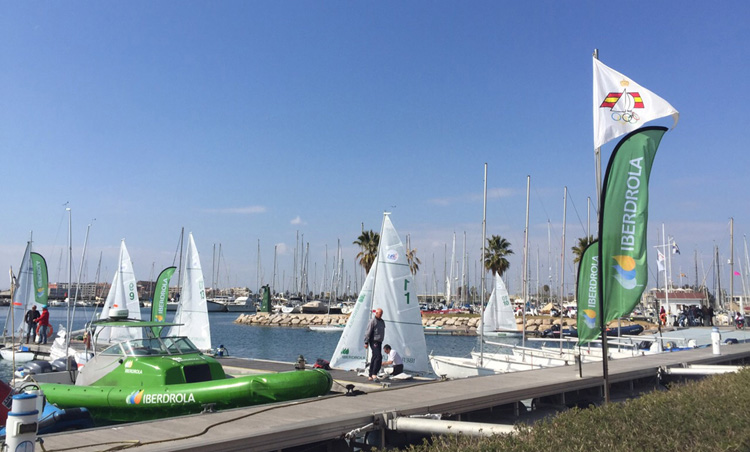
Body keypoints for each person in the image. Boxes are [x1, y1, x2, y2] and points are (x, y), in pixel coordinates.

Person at [363, 308, 385, 381]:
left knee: (375, 357)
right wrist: (366, 342)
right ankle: (374, 374)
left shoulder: (382, 321)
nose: (380, 315)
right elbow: (368, 331)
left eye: (381, 313)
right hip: (373, 341)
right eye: (379, 313)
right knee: (378, 356)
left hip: (379, 341)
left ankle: (370, 374)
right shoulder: (373, 321)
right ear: (376, 313)